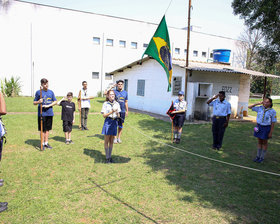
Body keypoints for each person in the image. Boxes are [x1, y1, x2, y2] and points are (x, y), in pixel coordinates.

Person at [248, 97, 277, 163]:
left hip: (266, 128)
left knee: (264, 142)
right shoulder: (260, 108)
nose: (265, 103)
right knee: (259, 141)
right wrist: (258, 103)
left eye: (267, 102)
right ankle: (258, 156)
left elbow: (273, 122)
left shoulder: (272, 111)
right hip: (259, 127)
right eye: (264, 101)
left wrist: (270, 132)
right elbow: (249, 107)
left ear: (270, 103)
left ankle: (262, 157)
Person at [33, 78, 57, 150]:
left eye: (46, 83)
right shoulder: (38, 92)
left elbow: (55, 101)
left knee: (47, 129)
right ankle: (42, 143)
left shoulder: (51, 92)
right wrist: (38, 102)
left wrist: (48, 105)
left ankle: (46, 143)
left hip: (49, 113)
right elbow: (34, 102)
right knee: (42, 130)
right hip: (42, 114)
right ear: (41, 84)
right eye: (44, 83)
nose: (46, 85)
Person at [101, 90, 121, 163]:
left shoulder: (117, 104)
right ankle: (107, 157)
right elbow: (104, 115)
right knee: (106, 140)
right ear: (108, 96)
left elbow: (119, 115)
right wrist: (111, 112)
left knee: (111, 141)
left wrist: (117, 113)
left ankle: (110, 156)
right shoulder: (105, 104)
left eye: (113, 95)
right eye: (110, 94)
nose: (112, 96)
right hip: (108, 121)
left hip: (114, 122)